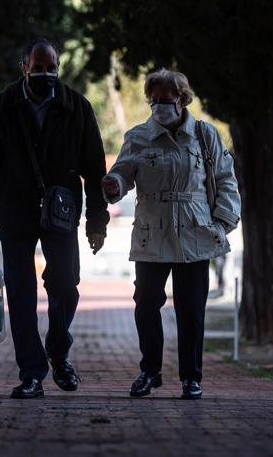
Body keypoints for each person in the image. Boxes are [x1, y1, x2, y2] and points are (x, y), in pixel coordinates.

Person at [0, 39, 109, 399]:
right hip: (14, 212)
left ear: (59, 66)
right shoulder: (0, 107)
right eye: (38, 67)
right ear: (23, 67)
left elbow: (94, 169)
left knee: (65, 285)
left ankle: (58, 354)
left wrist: (97, 221)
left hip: (60, 213)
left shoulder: (77, 106)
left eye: (51, 67)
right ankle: (31, 371)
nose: (46, 74)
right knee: (21, 294)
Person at [102, 69, 241, 399]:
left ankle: (192, 377)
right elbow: (122, 174)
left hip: (195, 231)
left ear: (182, 99)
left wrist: (222, 224)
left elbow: (225, 180)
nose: (160, 107)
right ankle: (149, 371)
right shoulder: (138, 137)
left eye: (167, 100)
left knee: (191, 309)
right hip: (152, 232)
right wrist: (114, 185)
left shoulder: (205, 136)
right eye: (155, 101)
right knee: (146, 304)